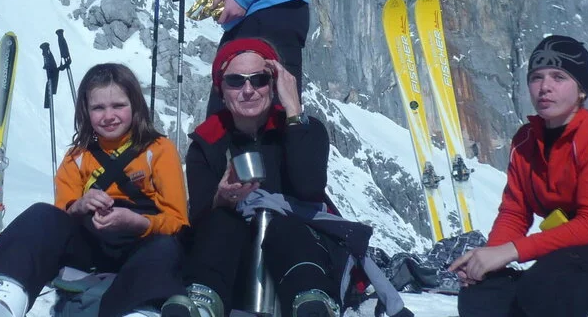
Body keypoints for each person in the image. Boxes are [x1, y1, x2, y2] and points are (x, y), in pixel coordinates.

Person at [164, 38, 409, 317]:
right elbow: (198, 216)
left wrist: (293, 111)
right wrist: (221, 198)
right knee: (222, 221)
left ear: (275, 84)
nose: (248, 90)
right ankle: (202, 303)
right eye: (235, 81)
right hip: (232, 259)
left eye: (260, 80)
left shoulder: (306, 130)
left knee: (287, 224)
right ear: (221, 89)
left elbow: (309, 189)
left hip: (301, 250)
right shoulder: (207, 141)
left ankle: (311, 304)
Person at [451, 35, 588, 317]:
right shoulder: (525, 142)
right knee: (480, 296)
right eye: (537, 77)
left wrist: (511, 251)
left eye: (559, 77)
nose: (545, 87)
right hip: (574, 254)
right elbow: (515, 213)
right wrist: (489, 260)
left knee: (545, 284)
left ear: (581, 90)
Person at [0, 63, 187, 317]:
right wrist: (80, 206)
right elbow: (60, 216)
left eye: (118, 105)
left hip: (144, 243)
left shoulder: (159, 150)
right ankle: (4, 299)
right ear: (86, 111)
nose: (109, 116)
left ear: (135, 106)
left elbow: (178, 221)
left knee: (166, 248)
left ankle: (137, 312)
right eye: (98, 108)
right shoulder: (78, 156)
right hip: (91, 245)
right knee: (40, 215)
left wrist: (138, 223)